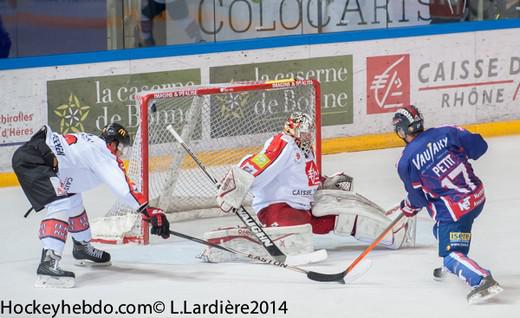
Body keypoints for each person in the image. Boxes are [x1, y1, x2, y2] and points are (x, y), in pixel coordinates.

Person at [202, 112, 415, 263]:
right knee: (297, 240)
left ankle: (391, 234)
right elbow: (260, 162)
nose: (307, 135)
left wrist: (326, 182)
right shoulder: (283, 143)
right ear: (292, 130)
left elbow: (306, 178)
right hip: (278, 207)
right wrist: (234, 187)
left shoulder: (306, 150)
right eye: (303, 131)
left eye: (309, 131)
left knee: (343, 213)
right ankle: (225, 241)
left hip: (303, 208)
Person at [12, 123, 170, 288]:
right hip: (36, 160)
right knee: (60, 204)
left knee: (72, 198)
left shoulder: (94, 143)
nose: (121, 152)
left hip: (38, 154)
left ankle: (82, 248)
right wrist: (148, 211)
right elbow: (123, 187)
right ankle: (48, 265)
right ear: (112, 143)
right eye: (120, 146)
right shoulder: (102, 152)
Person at [392, 105, 503, 304]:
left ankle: (481, 279)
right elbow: (480, 146)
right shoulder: (447, 131)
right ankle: (459, 260)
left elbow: (418, 200)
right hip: (477, 196)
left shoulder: (405, 162)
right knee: (440, 230)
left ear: (401, 131)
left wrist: (409, 206)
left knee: (450, 257)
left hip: (455, 210)